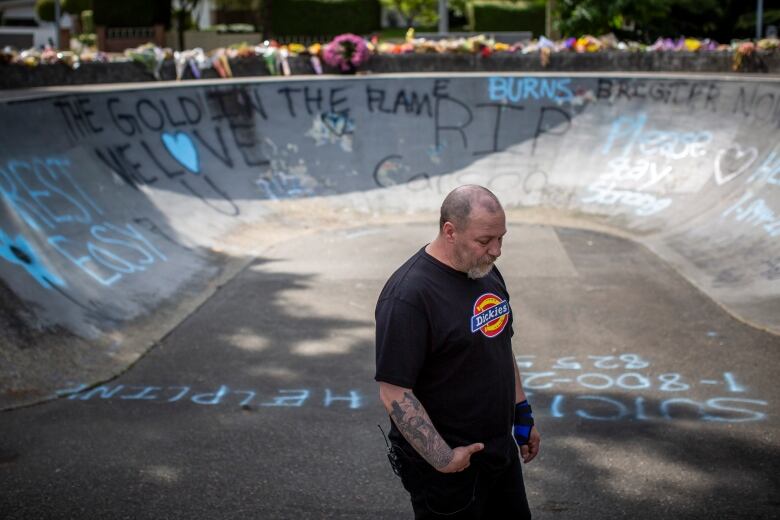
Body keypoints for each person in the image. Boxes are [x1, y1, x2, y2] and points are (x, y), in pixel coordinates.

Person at [375, 185, 540, 519]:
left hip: (498, 451)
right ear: (450, 231)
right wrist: (444, 459)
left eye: (501, 238)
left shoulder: (485, 271)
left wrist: (522, 415)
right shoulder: (409, 296)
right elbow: (394, 392)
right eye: (484, 241)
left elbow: (499, 344)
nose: (496, 251)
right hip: (450, 467)